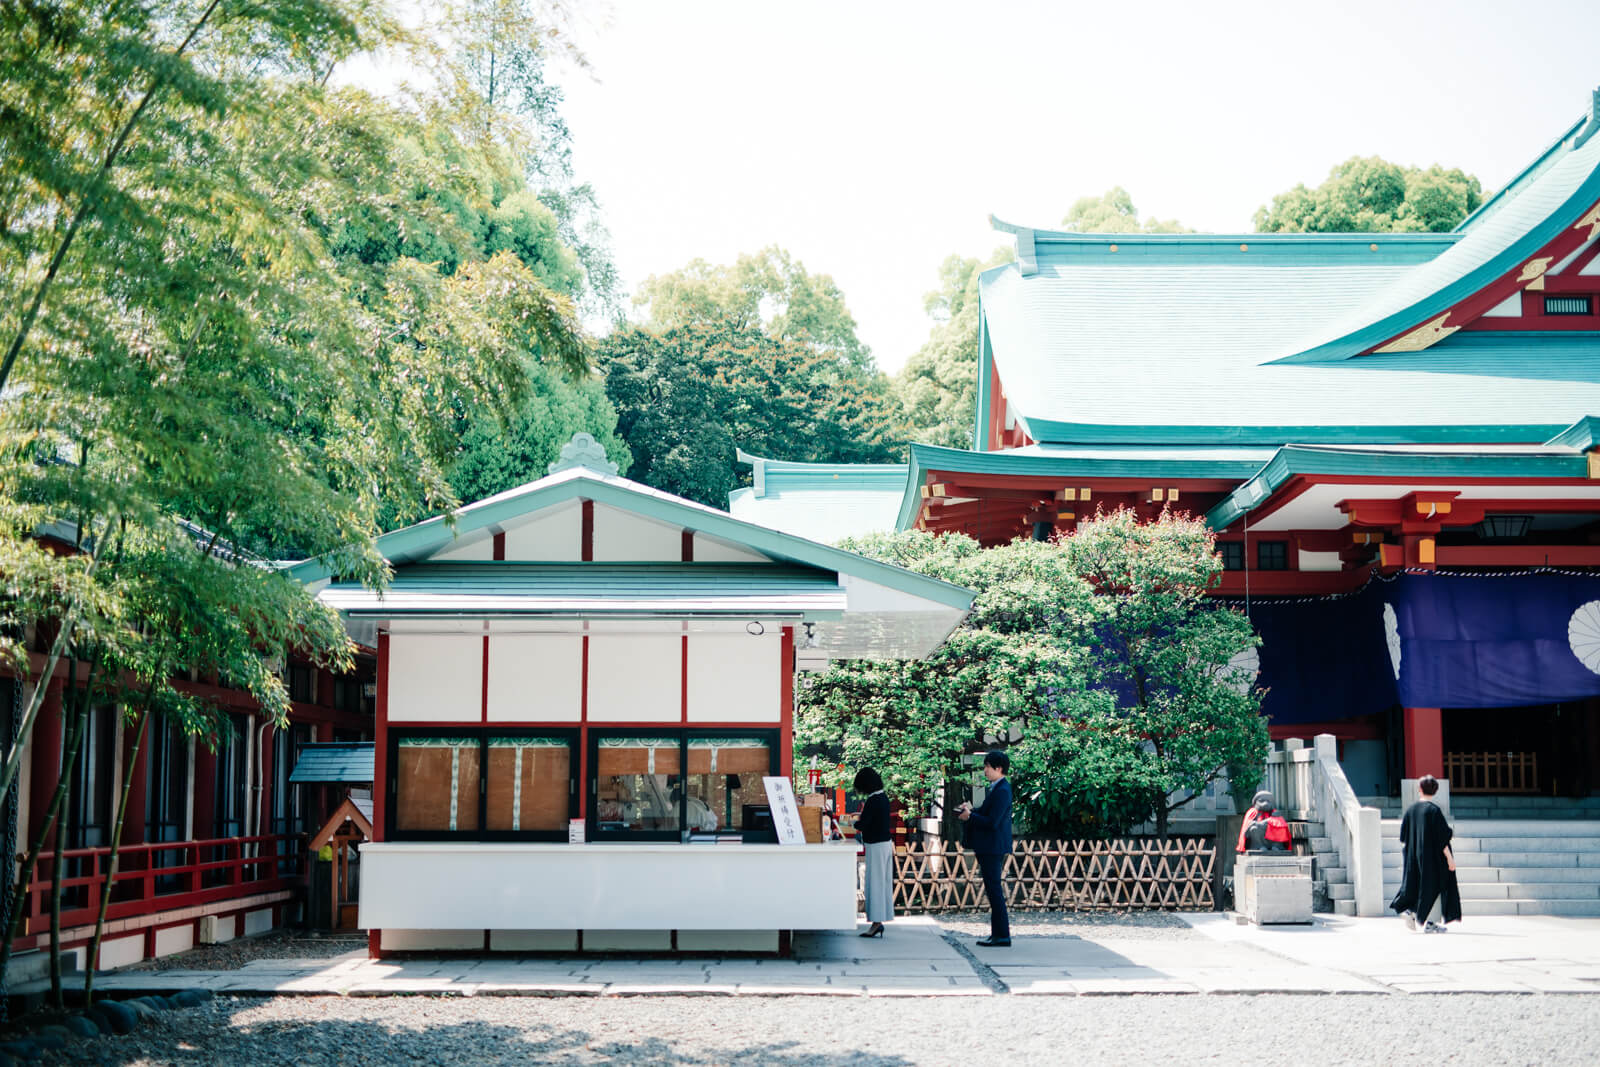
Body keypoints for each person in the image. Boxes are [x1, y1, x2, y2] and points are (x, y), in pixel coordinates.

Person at [1390, 775, 1462, 933]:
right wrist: (1450, 860)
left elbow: (1403, 837)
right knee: (1436, 885)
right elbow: (1442, 839)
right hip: (1432, 858)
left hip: (1413, 857)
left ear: (1419, 789)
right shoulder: (1434, 811)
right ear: (1435, 791)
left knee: (1418, 886)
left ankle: (1414, 913)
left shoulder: (1410, 810)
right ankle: (1424, 920)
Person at [958, 750, 1013, 948]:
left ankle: (1002, 935)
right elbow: (985, 813)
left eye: (987, 766)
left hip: (993, 846)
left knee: (994, 890)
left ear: (998, 768)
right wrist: (970, 811)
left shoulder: (1003, 790)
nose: (985, 770)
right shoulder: (997, 788)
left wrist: (970, 817)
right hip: (990, 845)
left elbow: (992, 822)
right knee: (992, 889)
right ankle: (998, 934)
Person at [853, 767, 894, 937]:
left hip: (875, 845)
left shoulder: (872, 800)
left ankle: (876, 923)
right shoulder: (882, 797)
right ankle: (880, 920)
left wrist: (852, 822)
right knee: (883, 883)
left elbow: (863, 824)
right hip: (885, 843)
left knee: (874, 883)